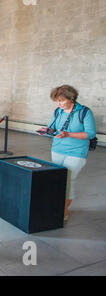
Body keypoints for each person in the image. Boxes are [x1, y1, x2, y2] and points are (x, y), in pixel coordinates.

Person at [37, 85, 96, 221]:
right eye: (56, 101)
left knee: (68, 179)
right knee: (58, 179)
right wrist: (46, 130)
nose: (59, 104)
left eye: (61, 100)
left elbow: (90, 133)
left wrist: (68, 134)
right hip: (57, 149)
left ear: (71, 99)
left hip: (76, 152)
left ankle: (63, 210)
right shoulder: (58, 111)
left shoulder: (84, 112)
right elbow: (52, 128)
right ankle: (57, 205)